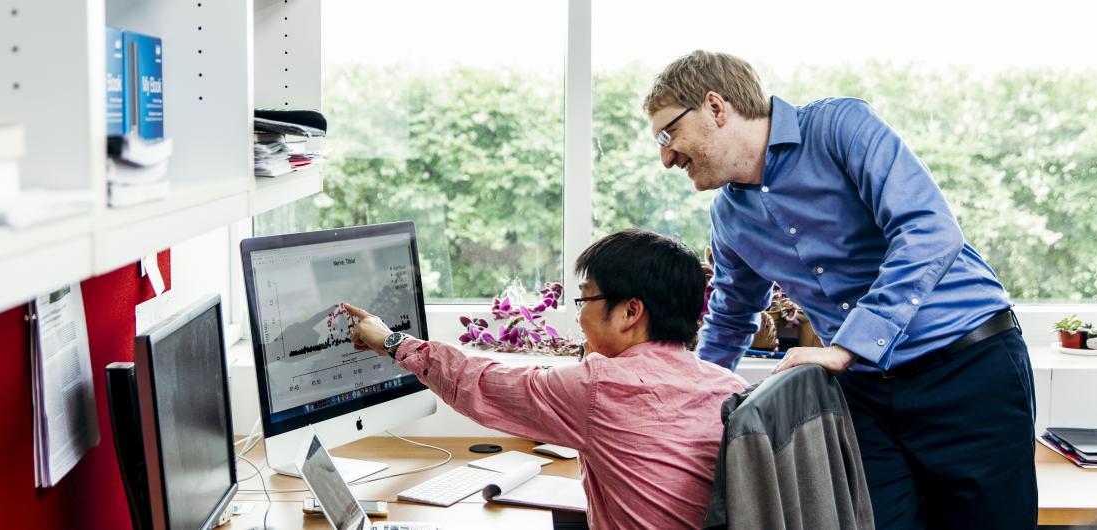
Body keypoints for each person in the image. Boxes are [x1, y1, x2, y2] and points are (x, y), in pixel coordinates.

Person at [644, 50, 1036, 529]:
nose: (666, 157)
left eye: (668, 133)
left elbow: (929, 231)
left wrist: (848, 345)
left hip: (969, 369)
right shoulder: (729, 217)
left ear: (715, 107)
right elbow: (731, 316)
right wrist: (692, 402)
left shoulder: (839, 127)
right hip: (864, 398)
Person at [344, 228, 748, 530]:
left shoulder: (602, 387)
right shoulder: (727, 386)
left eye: (585, 299)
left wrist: (391, 341)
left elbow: (479, 382)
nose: (578, 316)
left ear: (630, 313)